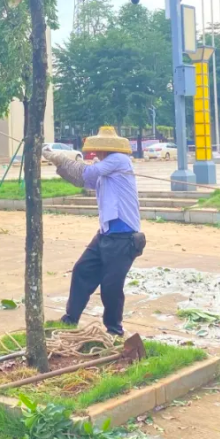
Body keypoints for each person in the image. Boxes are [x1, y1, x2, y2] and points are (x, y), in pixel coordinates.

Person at [42, 127, 146, 336]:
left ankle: (114, 330)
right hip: (105, 234)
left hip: (124, 237)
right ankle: (70, 319)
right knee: (82, 270)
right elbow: (83, 180)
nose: (96, 152)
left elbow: (87, 172)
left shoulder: (119, 160)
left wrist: (62, 157)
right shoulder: (105, 169)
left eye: (98, 149)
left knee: (111, 286)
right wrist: (57, 162)